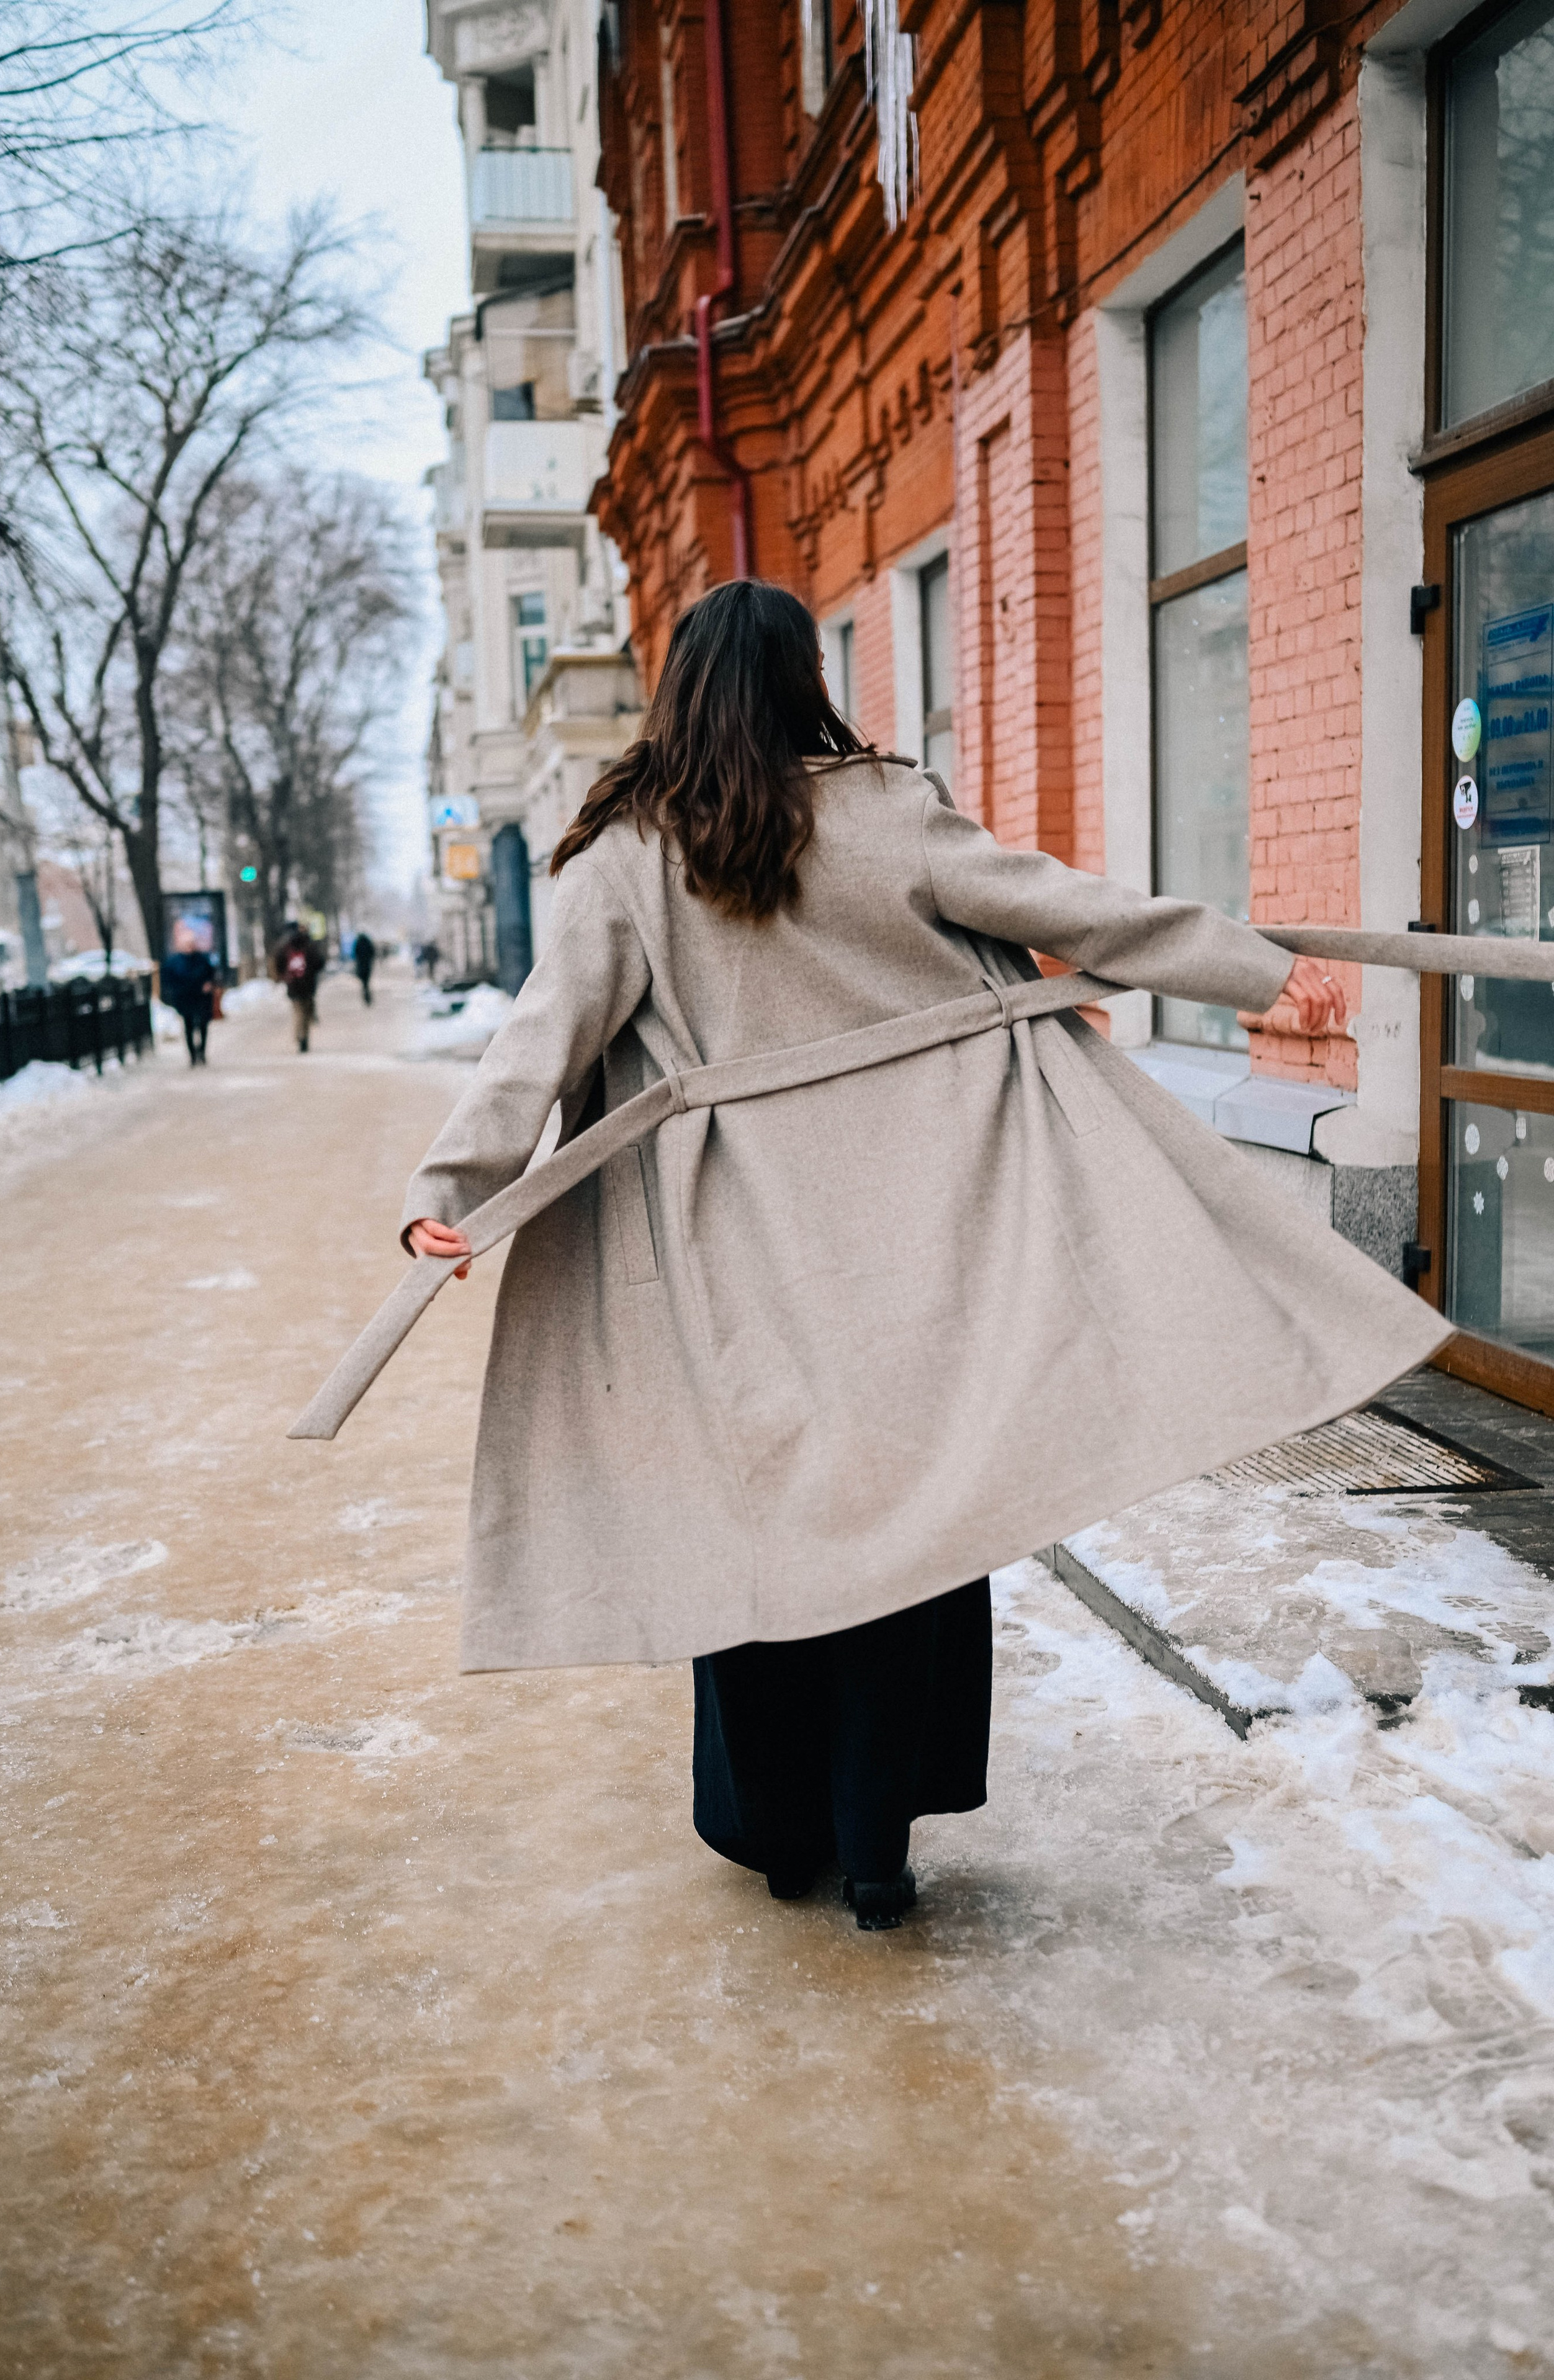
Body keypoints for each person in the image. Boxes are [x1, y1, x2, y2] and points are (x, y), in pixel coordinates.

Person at [397, 580, 1444, 1933]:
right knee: (919, 1521)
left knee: (763, 1538)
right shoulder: (885, 810)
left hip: (731, 1264)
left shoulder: (624, 857)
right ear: (798, 681)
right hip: (922, 1244)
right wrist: (1242, 966)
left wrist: (453, 1191)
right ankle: (879, 1841)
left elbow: (538, 1042)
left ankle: (781, 1834)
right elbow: (1065, 906)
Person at [159, 919, 217, 1067]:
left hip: (202, 998)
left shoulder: (202, 960)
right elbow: (168, 979)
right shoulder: (175, 962)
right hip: (185, 998)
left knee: (203, 1025)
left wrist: (208, 984)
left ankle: (202, 1052)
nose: (190, 947)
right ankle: (192, 1056)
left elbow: (211, 974)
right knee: (189, 1026)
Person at [272, 920, 325, 1053]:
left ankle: (299, 1035)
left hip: (292, 984)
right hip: (308, 984)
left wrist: (283, 975)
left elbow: (278, 962)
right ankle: (304, 1037)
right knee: (306, 1011)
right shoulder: (308, 943)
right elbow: (319, 962)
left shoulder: (284, 945)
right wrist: (311, 972)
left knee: (297, 1011)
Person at [353, 928, 376, 1005]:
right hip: (368, 965)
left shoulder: (358, 943)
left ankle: (366, 994)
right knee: (367, 981)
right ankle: (367, 995)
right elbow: (373, 953)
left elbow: (355, 954)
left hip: (361, 965)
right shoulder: (368, 942)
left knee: (364, 982)